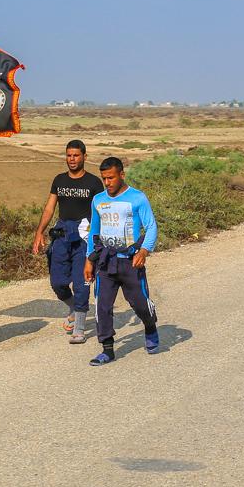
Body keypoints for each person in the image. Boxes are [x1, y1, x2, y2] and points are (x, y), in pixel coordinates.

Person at [83, 157, 159, 366]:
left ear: (122, 175)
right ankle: (107, 349)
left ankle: (150, 326)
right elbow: (94, 232)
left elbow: (151, 226)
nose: (107, 183)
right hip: (106, 262)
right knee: (102, 306)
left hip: (131, 261)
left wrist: (144, 251)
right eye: (104, 178)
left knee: (139, 303)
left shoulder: (137, 198)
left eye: (111, 178)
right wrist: (89, 260)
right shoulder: (98, 200)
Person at [32, 140, 104, 344]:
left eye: (76, 155)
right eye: (69, 155)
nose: (72, 159)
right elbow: (49, 208)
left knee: (82, 282)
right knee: (57, 282)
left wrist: (99, 239)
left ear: (84, 157)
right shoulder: (59, 180)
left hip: (84, 237)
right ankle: (72, 306)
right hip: (62, 234)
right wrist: (39, 233)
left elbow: (100, 211)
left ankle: (79, 328)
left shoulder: (93, 183)